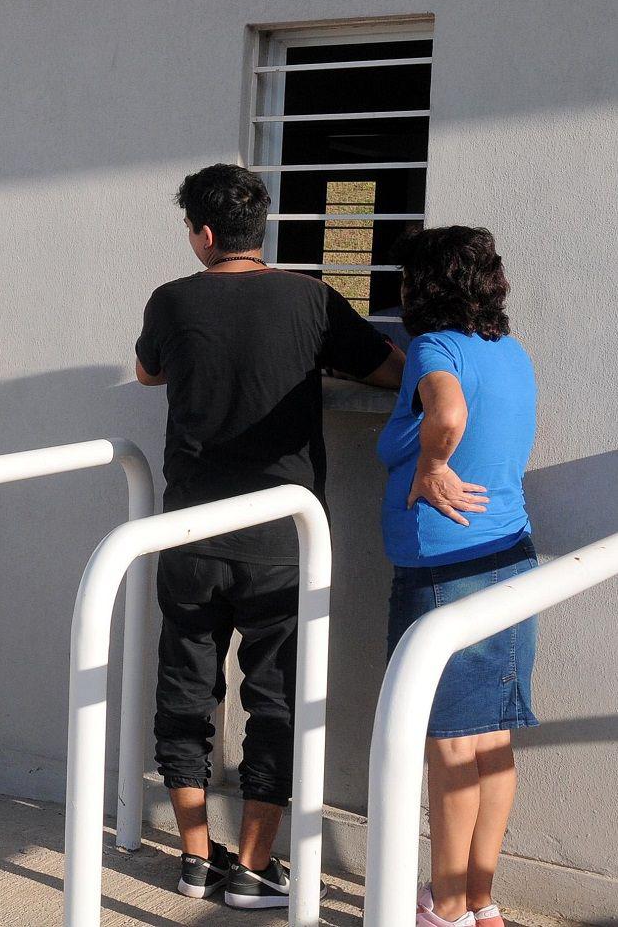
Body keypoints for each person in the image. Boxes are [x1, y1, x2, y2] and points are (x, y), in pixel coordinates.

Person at [134, 163, 404, 907]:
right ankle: (254, 864)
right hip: (282, 536)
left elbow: (146, 370)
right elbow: (390, 369)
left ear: (206, 233)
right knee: (277, 699)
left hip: (190, 530)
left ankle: (194, 859)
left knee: (185, 691)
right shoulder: (312, 298)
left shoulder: (172, 300)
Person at [378, 227, 536, 927]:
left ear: (427, 286)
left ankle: (443, 908)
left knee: (450, 744)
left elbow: (446, 411)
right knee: (493, 738)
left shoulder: (433, 348)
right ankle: (479, 900)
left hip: (445, 570)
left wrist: (434, 464)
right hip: (510, 560)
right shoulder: (512, 352)